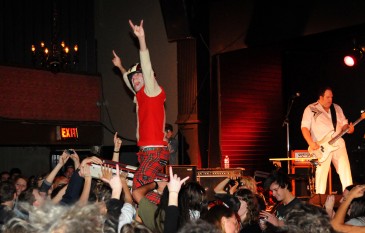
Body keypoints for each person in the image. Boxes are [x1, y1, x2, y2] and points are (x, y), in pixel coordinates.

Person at [112, 19, 169, 204]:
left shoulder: (153, 91)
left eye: (139, 76)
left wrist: (142, 39)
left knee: (138, 186)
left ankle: (151, 216)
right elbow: (129, 82)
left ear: (148, 77)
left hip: (154, 152)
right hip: (146, 152)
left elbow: (146, 65)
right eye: (133, 77)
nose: (135, 79)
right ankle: (158, 206)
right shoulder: (140, 96)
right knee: (143, 188)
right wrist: (121, 67)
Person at [301, 86, 354, 194]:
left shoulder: (337, 108)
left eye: (331, 97)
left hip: (338, 143)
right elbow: (304, 127)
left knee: (345, 172)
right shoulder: (311, 108)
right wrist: (311, 143)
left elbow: (344, 125)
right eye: (327, 97)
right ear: (320, 97)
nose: (330, 99)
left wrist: (349, 129)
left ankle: (350, 200)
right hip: (322, 147)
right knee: (321, 175)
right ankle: (319, 202)